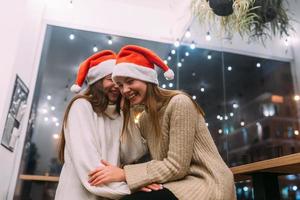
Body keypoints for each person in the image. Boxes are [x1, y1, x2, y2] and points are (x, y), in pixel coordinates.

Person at [88, 45, 237, 200]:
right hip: (176, 182)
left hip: (205, 182)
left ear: (147, 78)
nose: (124, 90)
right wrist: (125, 112)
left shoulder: (179, 103)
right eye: (120, 85)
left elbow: (177, 166)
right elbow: (133, 154)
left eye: (130, 81)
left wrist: (126, 174)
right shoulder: (145, 118)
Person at [55, 50, 131, 200]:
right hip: (79, 194)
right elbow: (89, 166)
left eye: (120, 82)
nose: (117, 86)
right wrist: (132, 187)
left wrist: (128, 111)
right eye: (111, 79)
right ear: (97, 80)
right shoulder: (81, 106)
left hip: (109, 194)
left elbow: (131, 155)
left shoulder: (120, 115)